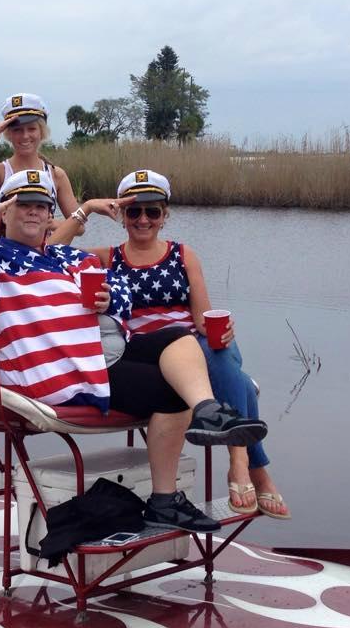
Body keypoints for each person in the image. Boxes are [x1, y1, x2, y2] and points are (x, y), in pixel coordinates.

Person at [0, 170, 268, 533]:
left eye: (41, 206)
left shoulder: (69, 258)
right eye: (22, 205)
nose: (32, 212)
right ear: (5, 213)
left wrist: (110, 300)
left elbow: (122, 291)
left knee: (178, 337)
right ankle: (164, 501)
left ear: (51, 215)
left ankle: (208, 411)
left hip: (96, 359)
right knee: (172, 393)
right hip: (59, 375)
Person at [79, 169, 289, 519]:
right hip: (147, 356)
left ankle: (239, 461)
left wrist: (224, 330)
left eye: (153, 211)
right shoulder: (107, 258)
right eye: (134, 212)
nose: (143, 219)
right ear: (121, 217)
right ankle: (254, 469)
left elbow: (203, 319)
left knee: (218, 352)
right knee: (239, 382)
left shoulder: (182, 255)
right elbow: (48, 246)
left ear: (165, 215)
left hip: (193, 346)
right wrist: (86, 209)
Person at [0, 93, 124, 235]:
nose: (25, 136)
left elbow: (79, 228)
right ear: (8, 134)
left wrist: (51, 224)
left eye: (31, 129)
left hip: (43, 257)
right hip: (4, 257)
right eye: (17, 130)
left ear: (41, 132)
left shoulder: (56, 175)